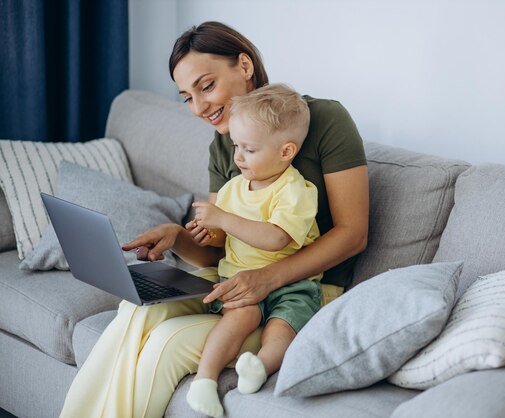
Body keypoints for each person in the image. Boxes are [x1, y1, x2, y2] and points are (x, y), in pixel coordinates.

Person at [60, 21, 368, 418]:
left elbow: (353, 233)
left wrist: (268, 279)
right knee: (135, 310)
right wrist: (177, 238)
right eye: (187, 97)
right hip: (236, 275)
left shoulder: (325, 119)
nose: (199, 108)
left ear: (244, 65)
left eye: (206, 87)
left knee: (165, 344)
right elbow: (216, 250)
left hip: (297, 295)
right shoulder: (226, 146)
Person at [185, 83, 323, 417]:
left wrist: (223, 218)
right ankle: (204, 381)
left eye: (249, 149)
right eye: (236, 146)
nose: (238, 157)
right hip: (239, 279)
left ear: (286, 152)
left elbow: (277, 238)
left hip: (292, 283)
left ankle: (259, 367)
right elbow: (222, 236)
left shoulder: (297, 190)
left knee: (282, 327)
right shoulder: (234, 187)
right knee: (240, 317)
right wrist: (208, 230)